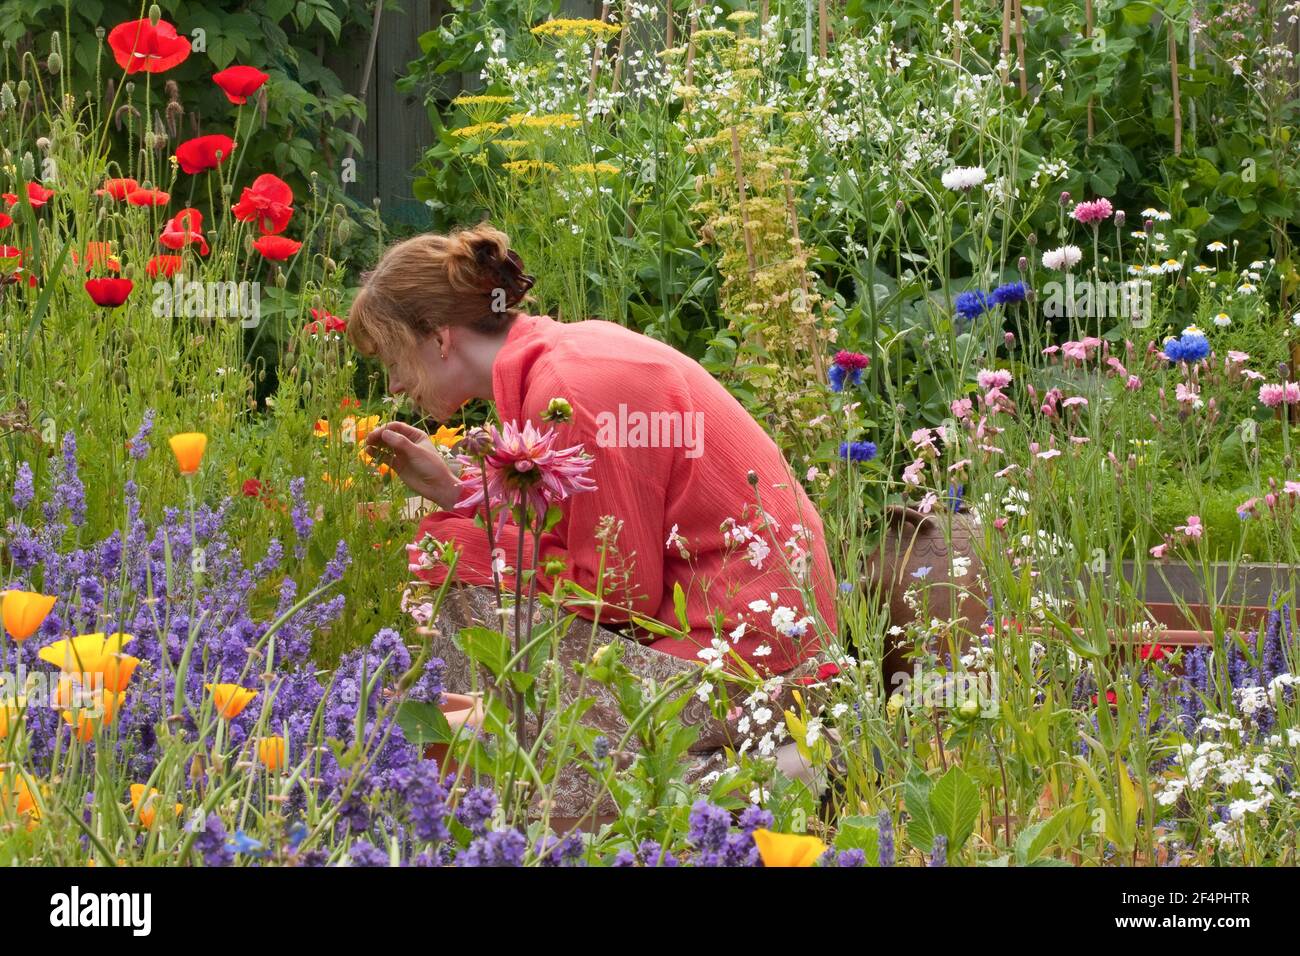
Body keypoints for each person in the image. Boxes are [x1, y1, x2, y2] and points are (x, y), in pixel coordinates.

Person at [347, 222, 838, 821]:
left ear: (440, 338)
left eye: (394, 359)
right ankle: (502, 776)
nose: (395, 385)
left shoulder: (575, 388)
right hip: (739, 636)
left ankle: (743, 779)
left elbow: (619, 589)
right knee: (462, 554)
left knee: (456, 562)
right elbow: (583, 536)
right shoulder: (563, 362)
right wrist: (457, 491)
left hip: (748, 665)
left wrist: (468, 537)